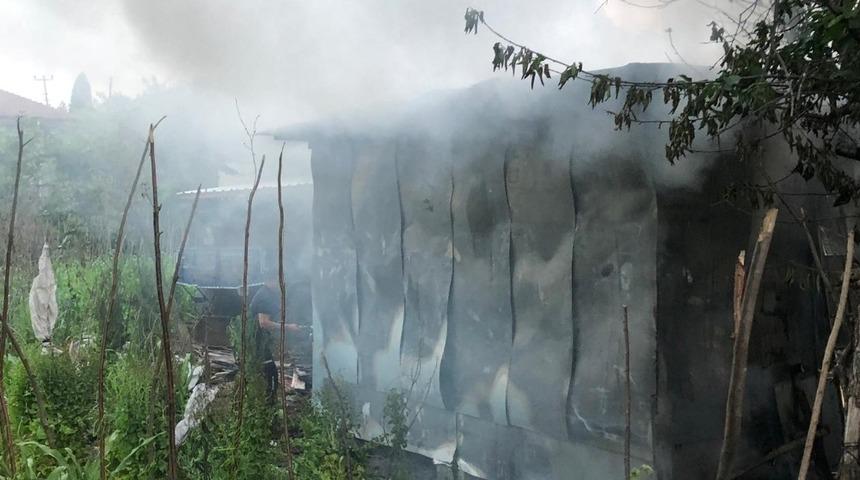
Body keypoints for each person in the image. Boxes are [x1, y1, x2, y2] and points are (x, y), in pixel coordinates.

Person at [248, 275, 302, 398]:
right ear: (270, 281)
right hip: (256, 342)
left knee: (265, 370)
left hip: (256, 341)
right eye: (280, 282)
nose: (282, 285)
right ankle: (268, 405)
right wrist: (289, 327)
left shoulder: (265, 293)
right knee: (270, 372)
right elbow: (264, 323)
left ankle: (263, 402)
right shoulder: (265, 297)